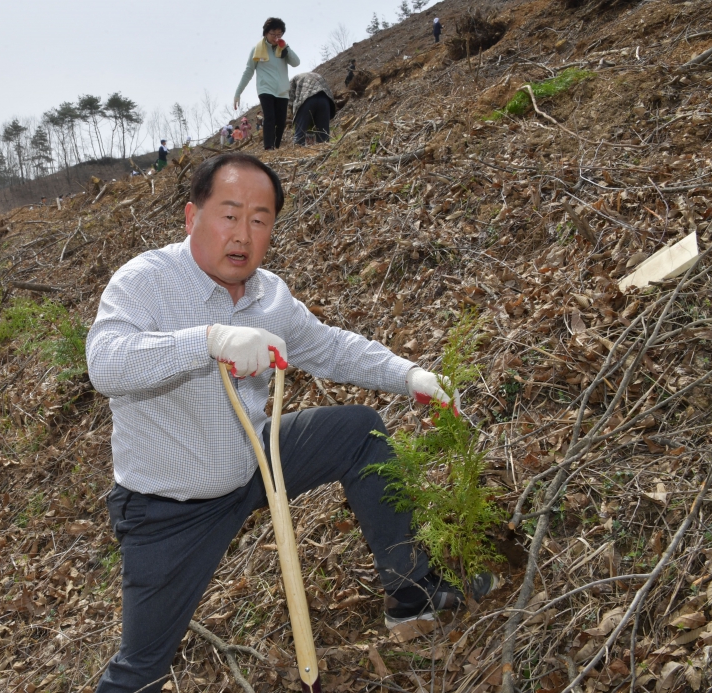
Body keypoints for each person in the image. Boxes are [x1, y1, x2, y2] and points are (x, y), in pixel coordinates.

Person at [85, 152, 496, 693]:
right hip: (169, 508)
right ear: (192, 217)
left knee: (357, 432)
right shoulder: (146, 282)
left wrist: (410, 375)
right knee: (141, 668)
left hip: (255, 461)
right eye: (229, 215)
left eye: (260, 219)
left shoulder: (268, 294)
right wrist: (208, 341)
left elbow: (327, 347)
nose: (243, 234)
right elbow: (106, 362)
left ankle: (411, 593)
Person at [233, 17, 300, 150]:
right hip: (266, 89)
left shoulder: (283, 49)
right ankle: (268, 148)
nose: (276, 37)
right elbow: (248, 71)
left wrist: (286, 47)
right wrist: (238, 92)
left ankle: (276, 146)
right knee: (270, 117)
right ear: (265, 33)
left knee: (280, 122)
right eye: (273, 34)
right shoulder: (257, 50)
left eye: (279, 34)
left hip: (282, 90)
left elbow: (296, 63)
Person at [289, 71, 336, 146]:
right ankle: (323, 155)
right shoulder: (318, 75)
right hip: (325, 100)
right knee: (323, 138)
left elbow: (290, 101)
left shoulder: (292, 80)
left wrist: (295, 115)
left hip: (306, 100)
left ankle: (298, 151)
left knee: (299, 137)